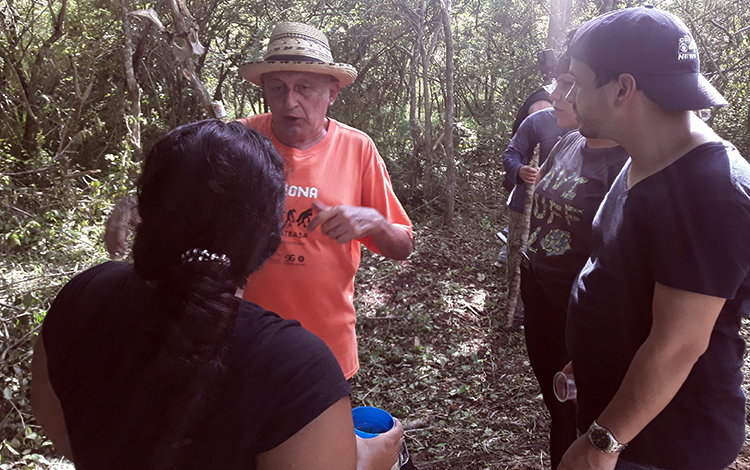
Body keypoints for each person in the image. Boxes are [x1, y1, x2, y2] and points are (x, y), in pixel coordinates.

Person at [31, 120, 404, 470]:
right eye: (278, 85)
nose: (291, 99)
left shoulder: (80, 294)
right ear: (268, 237)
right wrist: (364, 461)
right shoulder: (296, 368)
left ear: (149, 212)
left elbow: (61, 429)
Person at [105, 22, 414, 380]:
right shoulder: (238, 140)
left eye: (304, 88)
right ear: (264, 89)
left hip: (324, 345)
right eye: (278, 87)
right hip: (233, 336)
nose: (289, 102)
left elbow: (403, 246)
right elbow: (177, 196)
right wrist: (135, 205)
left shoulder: (358, 149)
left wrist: (375, 221)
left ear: (332, 93)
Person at [559, 6, 750, 470]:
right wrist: (585, 359)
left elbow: (679, 343)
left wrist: (602, 444)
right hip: (624, 421)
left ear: (623, 88)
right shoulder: (646, 154)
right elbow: (622, 272)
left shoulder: (710, 194)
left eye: (579, 82)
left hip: (662, 444)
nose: (568, 95)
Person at [520, 55, 629, 470]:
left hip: (578, 313)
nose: (557, 96)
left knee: (584, 416)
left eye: (568, 85)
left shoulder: (625, 164)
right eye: (556, 85)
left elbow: (623, 264)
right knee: (557, 407)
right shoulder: (568, 141)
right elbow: (543, 189)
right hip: (539, 297)